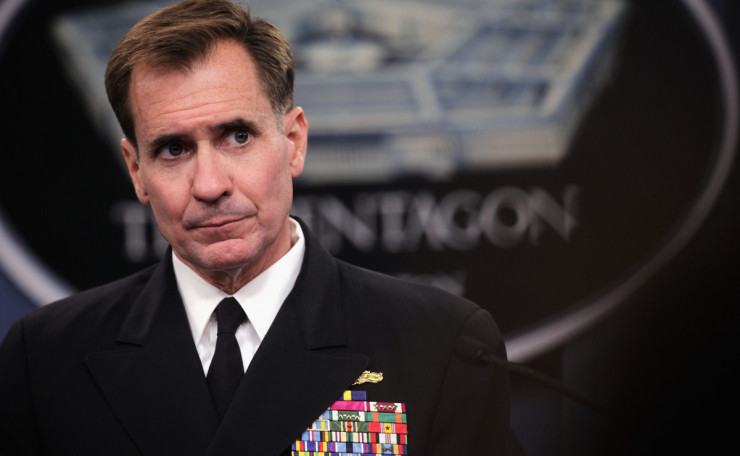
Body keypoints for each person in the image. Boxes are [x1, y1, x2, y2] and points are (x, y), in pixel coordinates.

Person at [0, 1, 521, 454]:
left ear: (293, 142)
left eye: (237, 136)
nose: (209, 185)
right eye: (173, 149)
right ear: (136, 171)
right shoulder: (45, 356)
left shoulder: (439, 343)